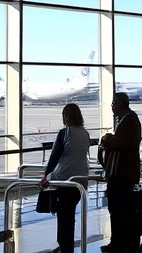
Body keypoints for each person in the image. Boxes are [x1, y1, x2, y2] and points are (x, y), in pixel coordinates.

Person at [40, 104, 91, 253]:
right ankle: (67, 245)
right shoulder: (85, 133)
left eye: (64, 115)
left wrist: (46, 176)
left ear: (67, 116)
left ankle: (65, 246)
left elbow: (55, 157)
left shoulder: (64, 133)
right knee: (70, 215)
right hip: (80, 181)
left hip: (64, 181)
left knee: (63, 217)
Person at [100, 93, 141, 253]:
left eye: (114, 103)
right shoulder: (124, 120)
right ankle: (120, 241)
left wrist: (107, 140)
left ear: (122, 104)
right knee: (118, 209)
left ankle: (123, 242)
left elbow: (127, 142)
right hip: (118, 172)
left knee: (121, 209)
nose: (112, 106)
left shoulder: (130, 120)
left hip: (123, 173)